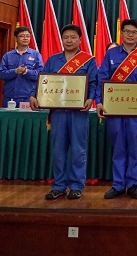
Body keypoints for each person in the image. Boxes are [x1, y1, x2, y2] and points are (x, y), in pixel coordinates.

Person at [30, 25, 97, 200]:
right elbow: (43, 81)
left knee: (78, 150)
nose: (69, 40)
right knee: (58, 151)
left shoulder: (88, 61)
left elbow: (93, 83)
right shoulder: (53, 60)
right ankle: (59, 186)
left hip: (79, 113)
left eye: (73, 37)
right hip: (58, 112)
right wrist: (33, 95)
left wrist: (90, 99)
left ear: (80, 39)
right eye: (66, 37)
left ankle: (76, 186)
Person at [96, 19, 137, 199]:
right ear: (121, 33)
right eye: (127, 31)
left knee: (135, 148)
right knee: (119, 147)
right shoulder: (111, 54)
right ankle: (118, 185)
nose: (130, 35)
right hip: (115, 109)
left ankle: (134, 184)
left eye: (134, 32)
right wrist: (99, 101)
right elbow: (102, 79)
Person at [0, 26, 43, 107]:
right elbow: (0, 73)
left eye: (27, 36)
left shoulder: (36, 55)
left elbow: (41, 74)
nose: (25, 38)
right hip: (10, 97)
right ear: (15, 38)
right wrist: (15, 71)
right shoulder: (8, 56)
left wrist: (27, 72)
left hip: (28, 97)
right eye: (22, 36)